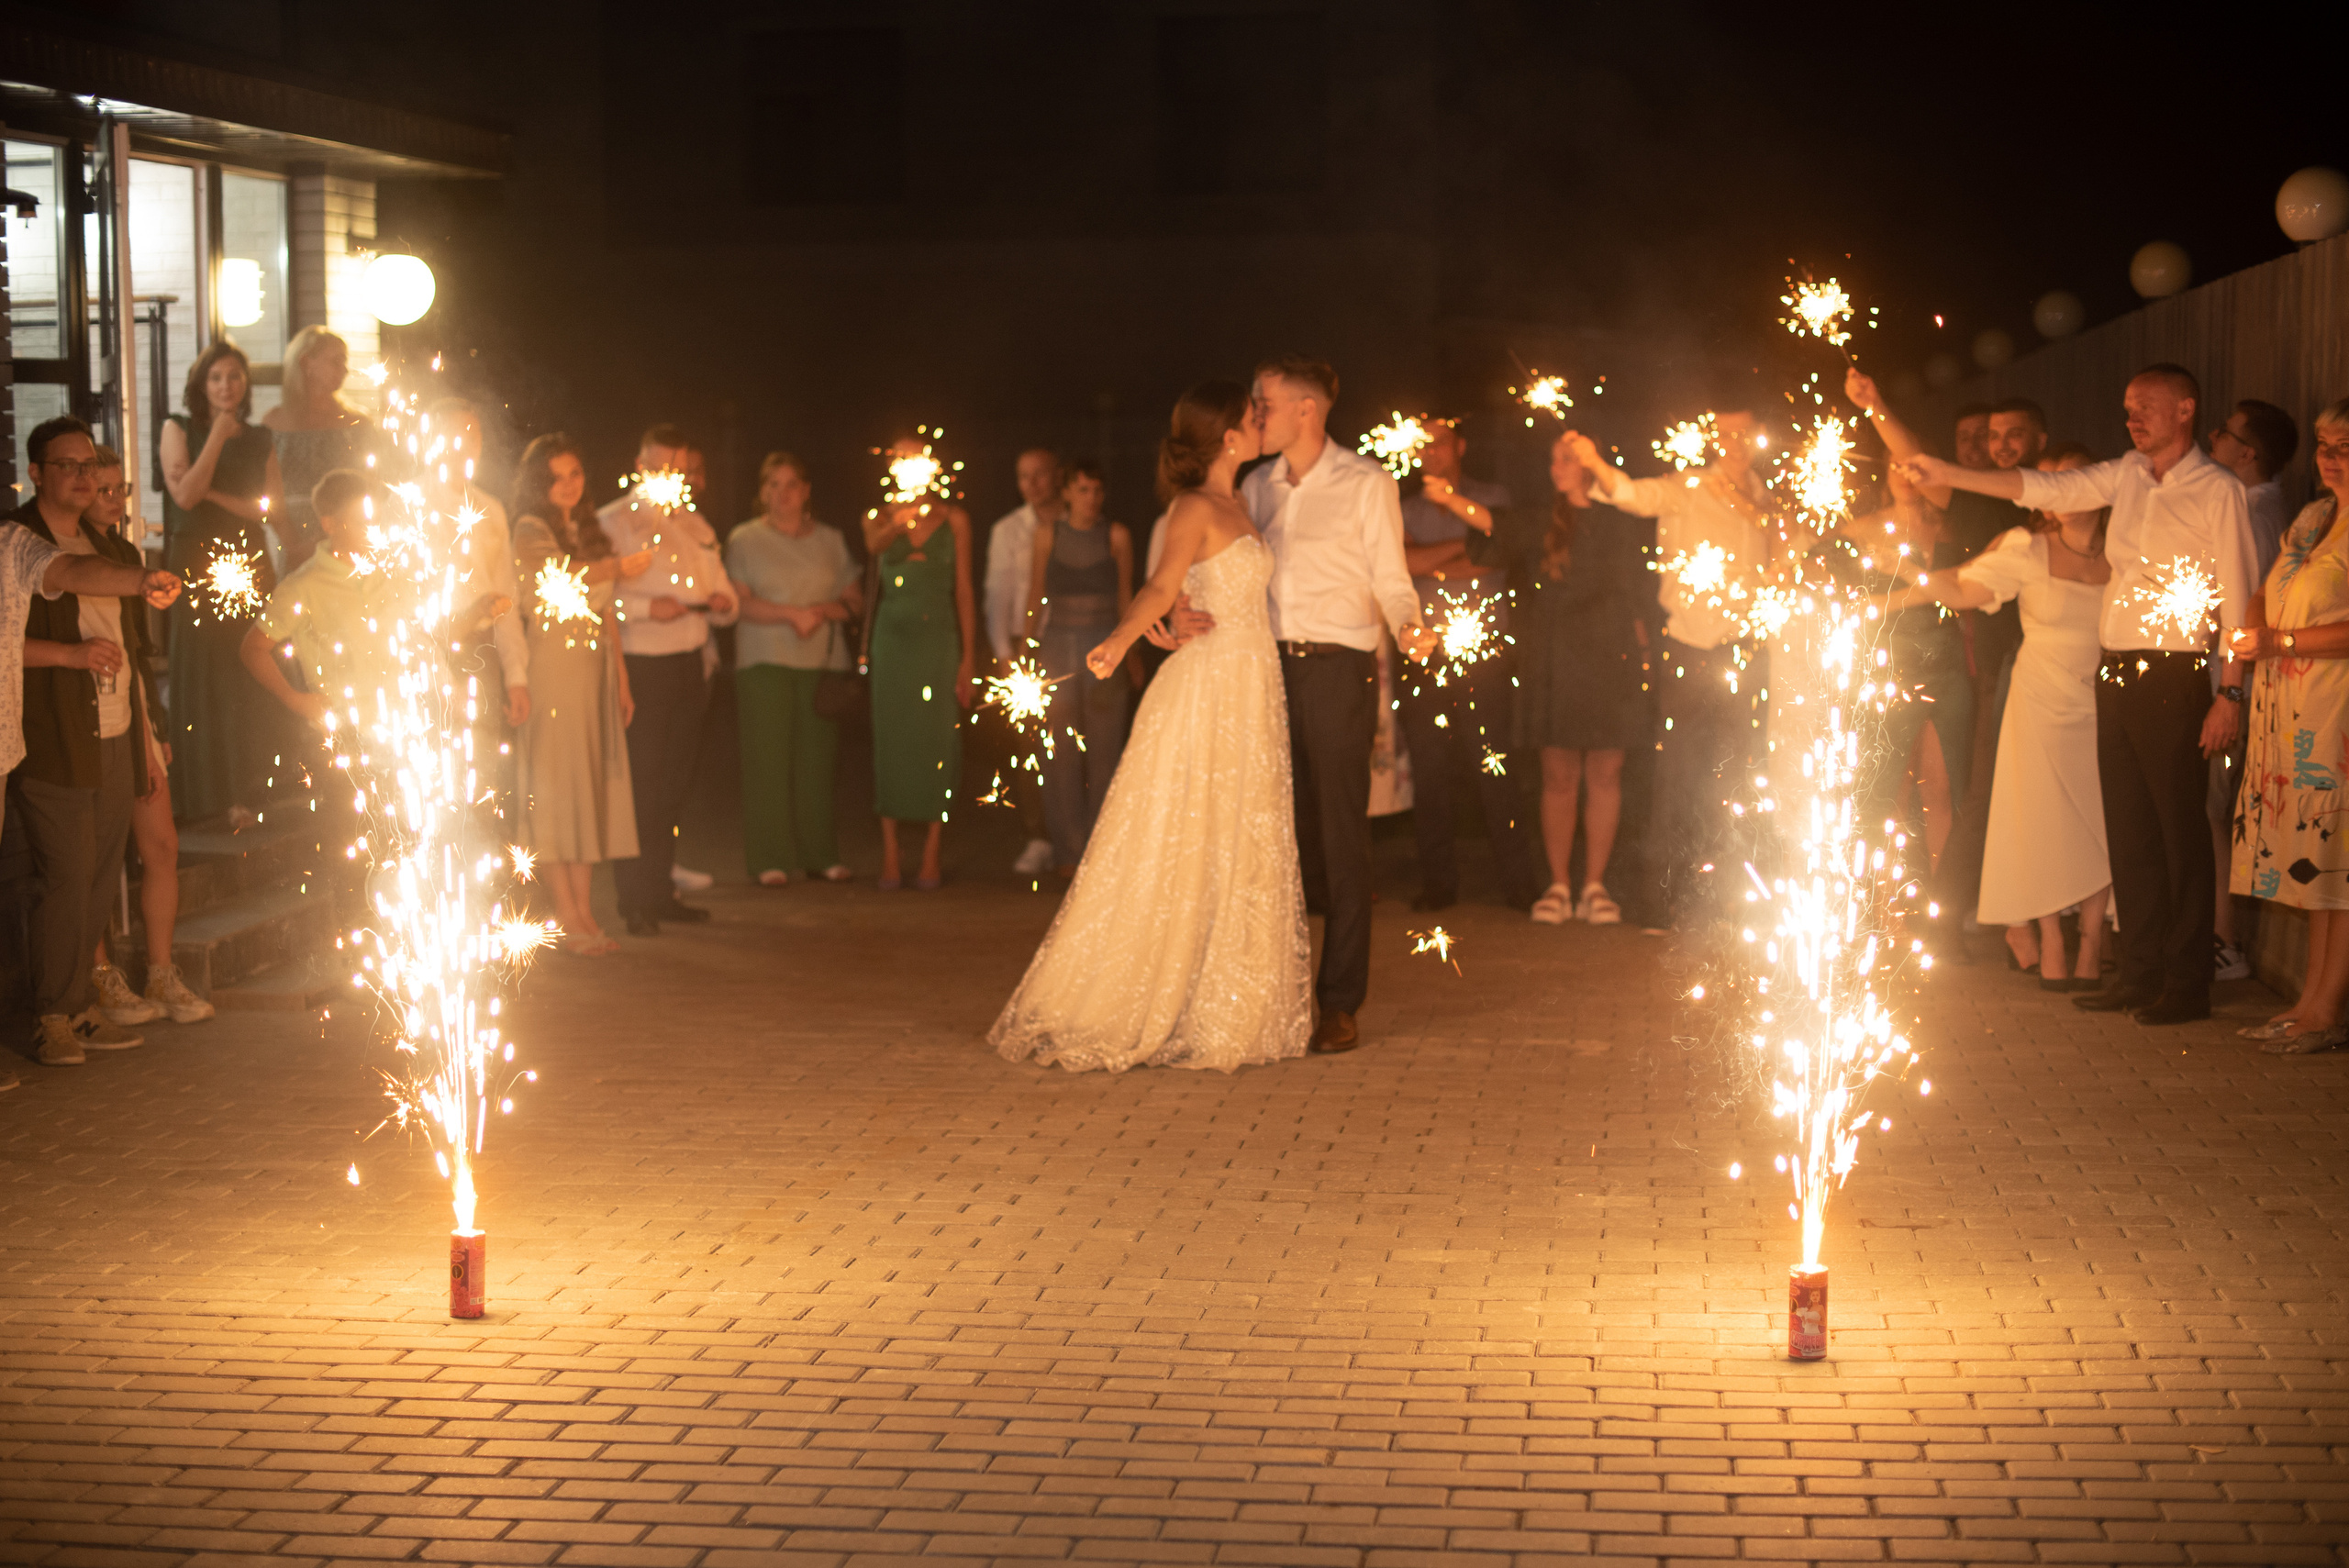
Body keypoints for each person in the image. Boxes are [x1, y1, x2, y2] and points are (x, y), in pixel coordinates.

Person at [1905, 364, 2255, 1025]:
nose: (2133, 417)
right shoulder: (2126, 475)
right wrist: (1949, 473)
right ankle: (2139, 971)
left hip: (2174, 669)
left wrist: (2229, 692)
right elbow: (2046, 487)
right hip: (2113, 669)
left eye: (2146, 406)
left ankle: (2187, 983)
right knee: (2128, 826)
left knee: (2177, 828)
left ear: (2185, 409)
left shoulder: (2218, 490)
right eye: (2127, 406)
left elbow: (2240, 596)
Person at [990, 381, 1310, 1072]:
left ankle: (1229, 998)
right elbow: (1161, 584)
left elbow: (1202, 590)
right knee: (1184, 829)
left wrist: (1178, 614)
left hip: (1251, 682)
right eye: (1252, 417)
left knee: (1240, 829)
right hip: (1209, 686)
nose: (1262, 423)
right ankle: (1142, 993)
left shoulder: (1242, 502)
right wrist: (1122, 640)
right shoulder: (1193, 506)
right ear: (1228, 436)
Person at [1237, 355, 1433, 1054]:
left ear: (1307, 409)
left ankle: (1340, 1001)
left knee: (1341, 834)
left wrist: (1408, 626)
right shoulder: (1255, 484)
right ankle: (1274, 995)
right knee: (1274, 833)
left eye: (1265, 402)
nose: (1255, 414)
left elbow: (1391, 575)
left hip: (1337, 668)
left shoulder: (1365, 482)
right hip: (1264, 667)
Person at [6, 417, 186, 1070]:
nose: (84, 477)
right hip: (52, 732)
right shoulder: (19, 539)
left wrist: (146, 731)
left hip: (114, 727)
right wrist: (71, 654)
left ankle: (80, 1005)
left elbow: (124, 632)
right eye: (69, 466)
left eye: (90, 466)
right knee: (65, 874)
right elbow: (33, 612)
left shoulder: (106, 545)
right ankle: (52, 1015)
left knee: (100, 874)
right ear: (36, 473)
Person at [1898, 443, 2112, 988]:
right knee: (2041, 820)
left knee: (2099, 819)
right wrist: (1907, 570)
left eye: (2075, 479)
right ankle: (2051, 939)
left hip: (2103, 698)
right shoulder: (2027, 548)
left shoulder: (2125, 549)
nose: (2064, 492)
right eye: (2053, 483)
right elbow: (1963, 590)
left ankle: (2093, 943)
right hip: (2039, 699)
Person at [1848, 373, 2047, 951]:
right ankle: (1895, 916)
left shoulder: (2016, 512)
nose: (1999, 445)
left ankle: (1958, 919)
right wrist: (1875, 403)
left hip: (1974, 665)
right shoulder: (1887, 525)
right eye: (1992, 436)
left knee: (1957, 792)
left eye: (2013, 435)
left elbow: (1958, 585)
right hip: (1914, 667)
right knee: (1897, 793)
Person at [1561, 409, 1773, 935]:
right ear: (1711, 438)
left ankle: (1729, 899)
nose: (1734, 442)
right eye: (1724, 433)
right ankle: (1659, 901)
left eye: (1743, 432)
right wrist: (1594, 463)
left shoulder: (1765, 495)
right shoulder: (1688, 486)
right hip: (1690, 650)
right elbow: (1631, 494)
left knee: (1738, 777)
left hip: (1747, 652)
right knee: (1677, 775)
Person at [1464, 431, 1652, 924]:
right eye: (1553, 460)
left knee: (1605, 772)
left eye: (1566, 459)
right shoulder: (1544, 519)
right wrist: (1448, 498)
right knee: (1558, 774)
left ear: (1590, 463)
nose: (1556, 468)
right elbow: (1493, 524)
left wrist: (1643, 654)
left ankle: (1595, 886)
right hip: (1554, 658)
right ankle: (1559, 885)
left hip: (1611, 657)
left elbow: (1637, 590)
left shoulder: (1621, 519)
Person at [2227, 396, 2349, 1051]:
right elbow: (2264, 587)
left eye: (2346, 448)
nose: (2331, 459)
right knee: (2314, 860)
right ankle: (2309, 999)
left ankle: (2327, 1009)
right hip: (2289, 707)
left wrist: (2286, 642)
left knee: (2339, 859)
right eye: (2325, 446)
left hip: (2336, 710)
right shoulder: (2313, 517)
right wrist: (2254, 630)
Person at [512, 434, 651, 955]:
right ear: (538, 484)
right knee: (558, 789)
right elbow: (557, 580)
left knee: (587, 789)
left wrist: (621, 677)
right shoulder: (530, 530)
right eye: (557, 478)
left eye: (575, 474)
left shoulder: (586, 530)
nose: (569, 485)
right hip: (553, 669)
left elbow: (605, 610)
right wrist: (616, 567)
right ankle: (564, 914)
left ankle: (585, 912)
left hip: (593, 670)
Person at [1397, 418, 1542, 914]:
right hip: (1425, 651)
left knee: (1494, 764)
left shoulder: (1492, 496)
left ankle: (1518, 882)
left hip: (1485, 650)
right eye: (1423, 445)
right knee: (1429, 766)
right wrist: (1466, 544)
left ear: (1459, 446)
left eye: (1439, 442)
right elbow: (1406, 564)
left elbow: (1494, 559)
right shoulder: (1403, 508)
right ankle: (1439, 882)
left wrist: (1431, 559)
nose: (1430, 452)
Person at [596, 424, 737, 934]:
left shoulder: (695, 524)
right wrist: (643, 608)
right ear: (640, 466)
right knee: (642, 783)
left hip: (689, 663)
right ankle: (634, 899)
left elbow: (724, 594)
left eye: (677, 468)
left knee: (674, 783)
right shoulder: (613, 521)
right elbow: (595, 595)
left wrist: (722, 603)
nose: (670, 476)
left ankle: (660, 891)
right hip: (642, 663)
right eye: (659, 466)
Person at [1809, 470, 1974, 877]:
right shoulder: (1860, 530)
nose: (1904, 475)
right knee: (1887, 790)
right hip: (1891, 668)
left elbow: (1967, 588)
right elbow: (1825, 581)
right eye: (1895, 465)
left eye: (1911, 464)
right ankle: (1881, 900)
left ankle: (1941, 894)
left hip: (1947, 664)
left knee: (1942, 789)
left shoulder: (1955, 527)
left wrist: (1891, 599)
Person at [159, 337, 285, 825]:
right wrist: (215, 437)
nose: (226, 385)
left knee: (246, 666)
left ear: (246, 383)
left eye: (234, 376)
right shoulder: (177, 428)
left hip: (248, 560)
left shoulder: (260, 438)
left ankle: (247, 790)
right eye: (216, 377)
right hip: (195, 561)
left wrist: (212, 492)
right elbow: (185, 498)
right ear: (201, 384)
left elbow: (268, 509)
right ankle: (201, 795)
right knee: (201, 669)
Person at [727, 451, 861, 886]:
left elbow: (854, 601)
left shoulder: (831, 540)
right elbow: (739, 603)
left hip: (822, 664)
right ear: (762, 492)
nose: (782, 494)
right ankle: (769, 858)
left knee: (817, 763)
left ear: (805, 492)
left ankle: (820, 855)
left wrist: (821, 611)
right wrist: (791, 615)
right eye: (773, 485)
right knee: (766, 761)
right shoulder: (745, 539)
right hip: (764, 660)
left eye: (790, 485)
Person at [2206, 397, 2299, 979]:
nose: (2211, 438)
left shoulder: (2254, 514)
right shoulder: (2253, 507)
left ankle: (2223, 941)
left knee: (2212, 808)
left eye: (2223, 432)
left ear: (2247, 453)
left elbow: (2247, 610)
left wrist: (2230, 693)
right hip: (2230, 683)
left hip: (2233, 685)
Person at [863, 438, 979, 889]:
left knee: (937, 738)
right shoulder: (879, 516)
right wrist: (899, 522)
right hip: (893, 643)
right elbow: (873, 545)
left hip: (939, 641)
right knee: (891, 739)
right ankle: (891, 852)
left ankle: (932, 849)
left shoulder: (955, 520)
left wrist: (968, 658)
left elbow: (964, 590)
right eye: (900, 459)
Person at [1023, 461, 1135, 874]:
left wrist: (1131, 652)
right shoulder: (1047, 535)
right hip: (1057, 645)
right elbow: (1036, 593)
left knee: (1105, 748)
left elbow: (1126, 596)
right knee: (1059, 750)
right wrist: (1027, 648)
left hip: (1104, 642)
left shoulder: (1116, 536)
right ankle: (1069, 849)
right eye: (1083, 489)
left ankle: (1101, 847)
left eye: (1097, 490)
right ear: (1067, 492)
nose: (1092, 498)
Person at [422, 397, 530, 733]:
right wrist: (442, 680)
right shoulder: (411, 505)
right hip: (431, 655)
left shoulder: (490, 509)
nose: (466, 447)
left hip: (484, 653)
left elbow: (506, 596)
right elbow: (403, 606)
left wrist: (516, 676)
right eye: (455, 435)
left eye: (474, 436)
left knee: (486, 758)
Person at [985, 448, 1063, 876]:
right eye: (1023, 476)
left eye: (1040, 475)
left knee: (1070, 739)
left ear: (1058, 476)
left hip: (1070, 638)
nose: (1032, 484)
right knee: (1031, 742)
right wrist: (1003, 652)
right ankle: (1038, 835)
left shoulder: (1077, 519)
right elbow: (997, 593)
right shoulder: (1008, 529)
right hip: (1024, 642)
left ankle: (1073, 833)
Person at [264, 326, 378, 572]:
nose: (344, 370)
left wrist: (333, 533)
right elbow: (268, 491)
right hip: (290, 536)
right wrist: (293, 544)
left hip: (344, 531)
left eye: (344, 362)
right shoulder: (274, 423)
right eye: (336, 362)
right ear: (307, 363)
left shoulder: (357, 423)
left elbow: (371, 484)